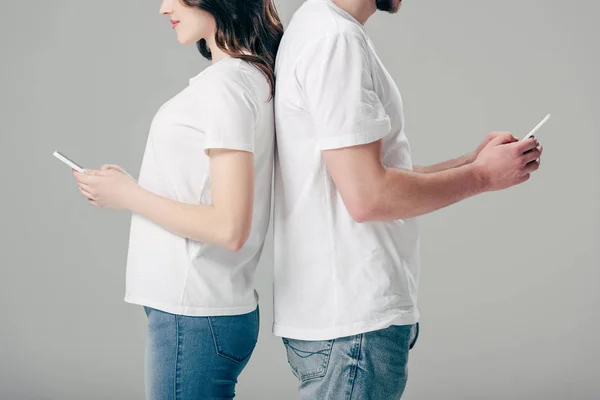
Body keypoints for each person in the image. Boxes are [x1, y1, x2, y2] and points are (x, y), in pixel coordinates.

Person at [273, 0, 543, 398]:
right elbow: (369, 196)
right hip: (353, 323)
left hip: (343, 320)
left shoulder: (320, 28)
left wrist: (471, 162)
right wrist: (482, 176)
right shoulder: (335, 39)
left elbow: (369, 176)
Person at [73, 0, 282, 398]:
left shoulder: (227, 86)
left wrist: (130, 196)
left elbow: (229, 227)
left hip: (195, 312)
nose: (163, 7)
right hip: (201, 310)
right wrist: (131, 189)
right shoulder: (248, 77)